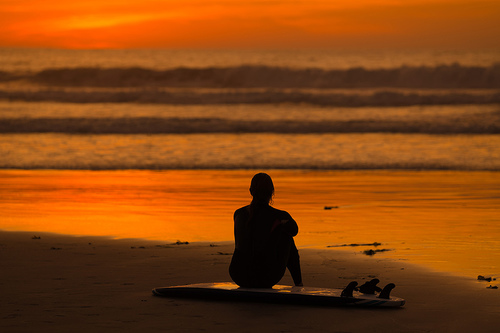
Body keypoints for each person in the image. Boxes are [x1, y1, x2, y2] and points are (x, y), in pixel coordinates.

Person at [229, 173, 303, 288]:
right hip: (265, 278)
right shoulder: (280, 215)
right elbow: (294, 231)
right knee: (287, 236)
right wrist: (281, 224)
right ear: (272, 191)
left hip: (238, 274)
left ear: (250, 191)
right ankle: (298, 283)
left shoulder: (238, 214)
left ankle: (298, 283)